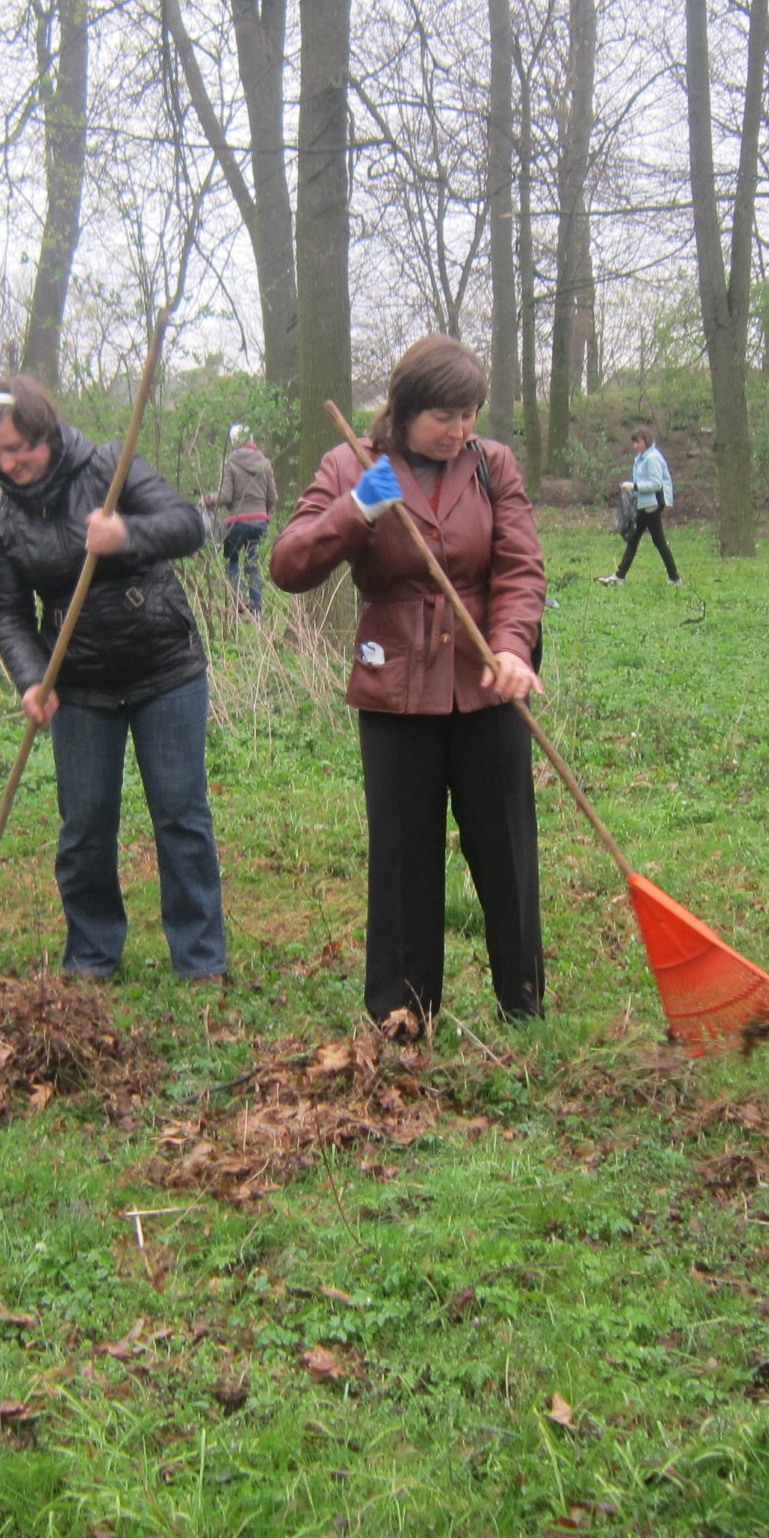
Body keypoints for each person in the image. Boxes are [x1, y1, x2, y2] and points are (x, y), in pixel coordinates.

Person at [271, 335, 547, 1033]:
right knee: (402, 853)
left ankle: (523, 1002)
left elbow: (519, 569)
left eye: (470, 415)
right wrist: (356, 509)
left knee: (506, 847)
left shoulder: (492, 466)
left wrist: (513, 647)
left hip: (486, 685)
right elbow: (288, 566)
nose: (460, 432)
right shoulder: (351, 464)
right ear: (404, 408)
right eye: (444, 418)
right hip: (394, 687)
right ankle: (402, 1009)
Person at [0, 376, 227, 983]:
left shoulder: (109, 465)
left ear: (46, 432)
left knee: (180, 815)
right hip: (79, 681)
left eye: (19, 448)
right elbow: (4, 612)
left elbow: (189, 526)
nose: (10, 464)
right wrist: (33, 678)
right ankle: (91, 954)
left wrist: (125, 537)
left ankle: (199, 960)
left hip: (165, 667)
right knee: (84, 823)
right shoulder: (0, 515)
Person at [210, 423, 279, 615]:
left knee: (232, 560)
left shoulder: (230, 463)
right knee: (253, 564)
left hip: (237, 522)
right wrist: (267, 514)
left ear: (233, 442)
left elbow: (224, 496)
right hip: (259, 521)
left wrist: (209, 499)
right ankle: (257, 611)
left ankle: (239, 600)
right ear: (251, 440)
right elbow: (273, 497)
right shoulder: (265, 463)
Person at [600, 424, 680, 586]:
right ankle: (620, 575)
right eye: (634, 443)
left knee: (655, 540)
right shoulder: (642, 458)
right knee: (636, 539)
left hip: (653, 504)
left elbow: (657, 484)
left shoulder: (652, 458)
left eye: (638, 442)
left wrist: (634, 486)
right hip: (645, 503)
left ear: (646, 440)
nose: (635, 446)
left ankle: (674, 578)